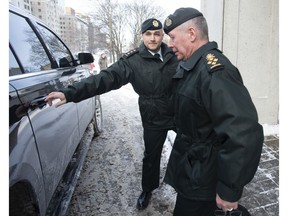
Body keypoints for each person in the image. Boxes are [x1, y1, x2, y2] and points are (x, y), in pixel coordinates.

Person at [45, 18, 179, 210]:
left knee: (191, 148)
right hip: (153, 114)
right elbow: (106, 78)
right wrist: (70, 93)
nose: (153, 38)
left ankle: (186, 189)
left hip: (179, 111)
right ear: (142, 35)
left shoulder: (174, 54)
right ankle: (148, 189)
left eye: (157, 34)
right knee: (151, 156)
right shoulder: (132, 61)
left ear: (162, 35)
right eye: (148, 34)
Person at [162, 7, 264, 216]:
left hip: (204, 177)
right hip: (193, 171)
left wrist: (229, 190)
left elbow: (243, 133)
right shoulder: (193, 66)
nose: (170, 44)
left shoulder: (215, 72)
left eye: (172, 37)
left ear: (191, 34)